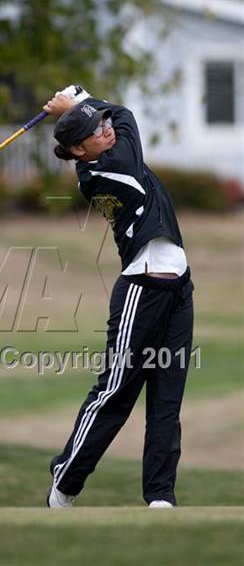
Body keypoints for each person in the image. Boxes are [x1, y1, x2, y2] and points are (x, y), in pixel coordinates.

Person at [42, 86, 194, 509]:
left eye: (104, 124)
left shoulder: (110, 158)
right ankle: (65, 479)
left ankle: (160, 496)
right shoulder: (106, 171)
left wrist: (81, 106)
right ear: (78, 149)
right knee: (115, 393)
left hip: (178, 288)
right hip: (141, 291)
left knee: (168, 396)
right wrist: (81, 101)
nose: (107, 129)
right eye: (96, 128)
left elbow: (116, 120)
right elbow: (125, 114)